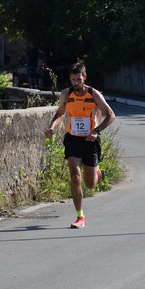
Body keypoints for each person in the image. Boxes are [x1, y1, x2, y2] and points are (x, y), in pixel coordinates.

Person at [43, 62, 116, 229]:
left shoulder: (94, 94)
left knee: (90, 184)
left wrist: (97, 130)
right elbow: (60, 113)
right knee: (75, 176)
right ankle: (79, 216)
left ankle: (97, 172)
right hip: (73, 139)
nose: (76, 83)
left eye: (78, 79)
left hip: (90, 141)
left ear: (84, 78)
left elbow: (111, 115)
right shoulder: (66, 94)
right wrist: (52, 127)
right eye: (73, 79)